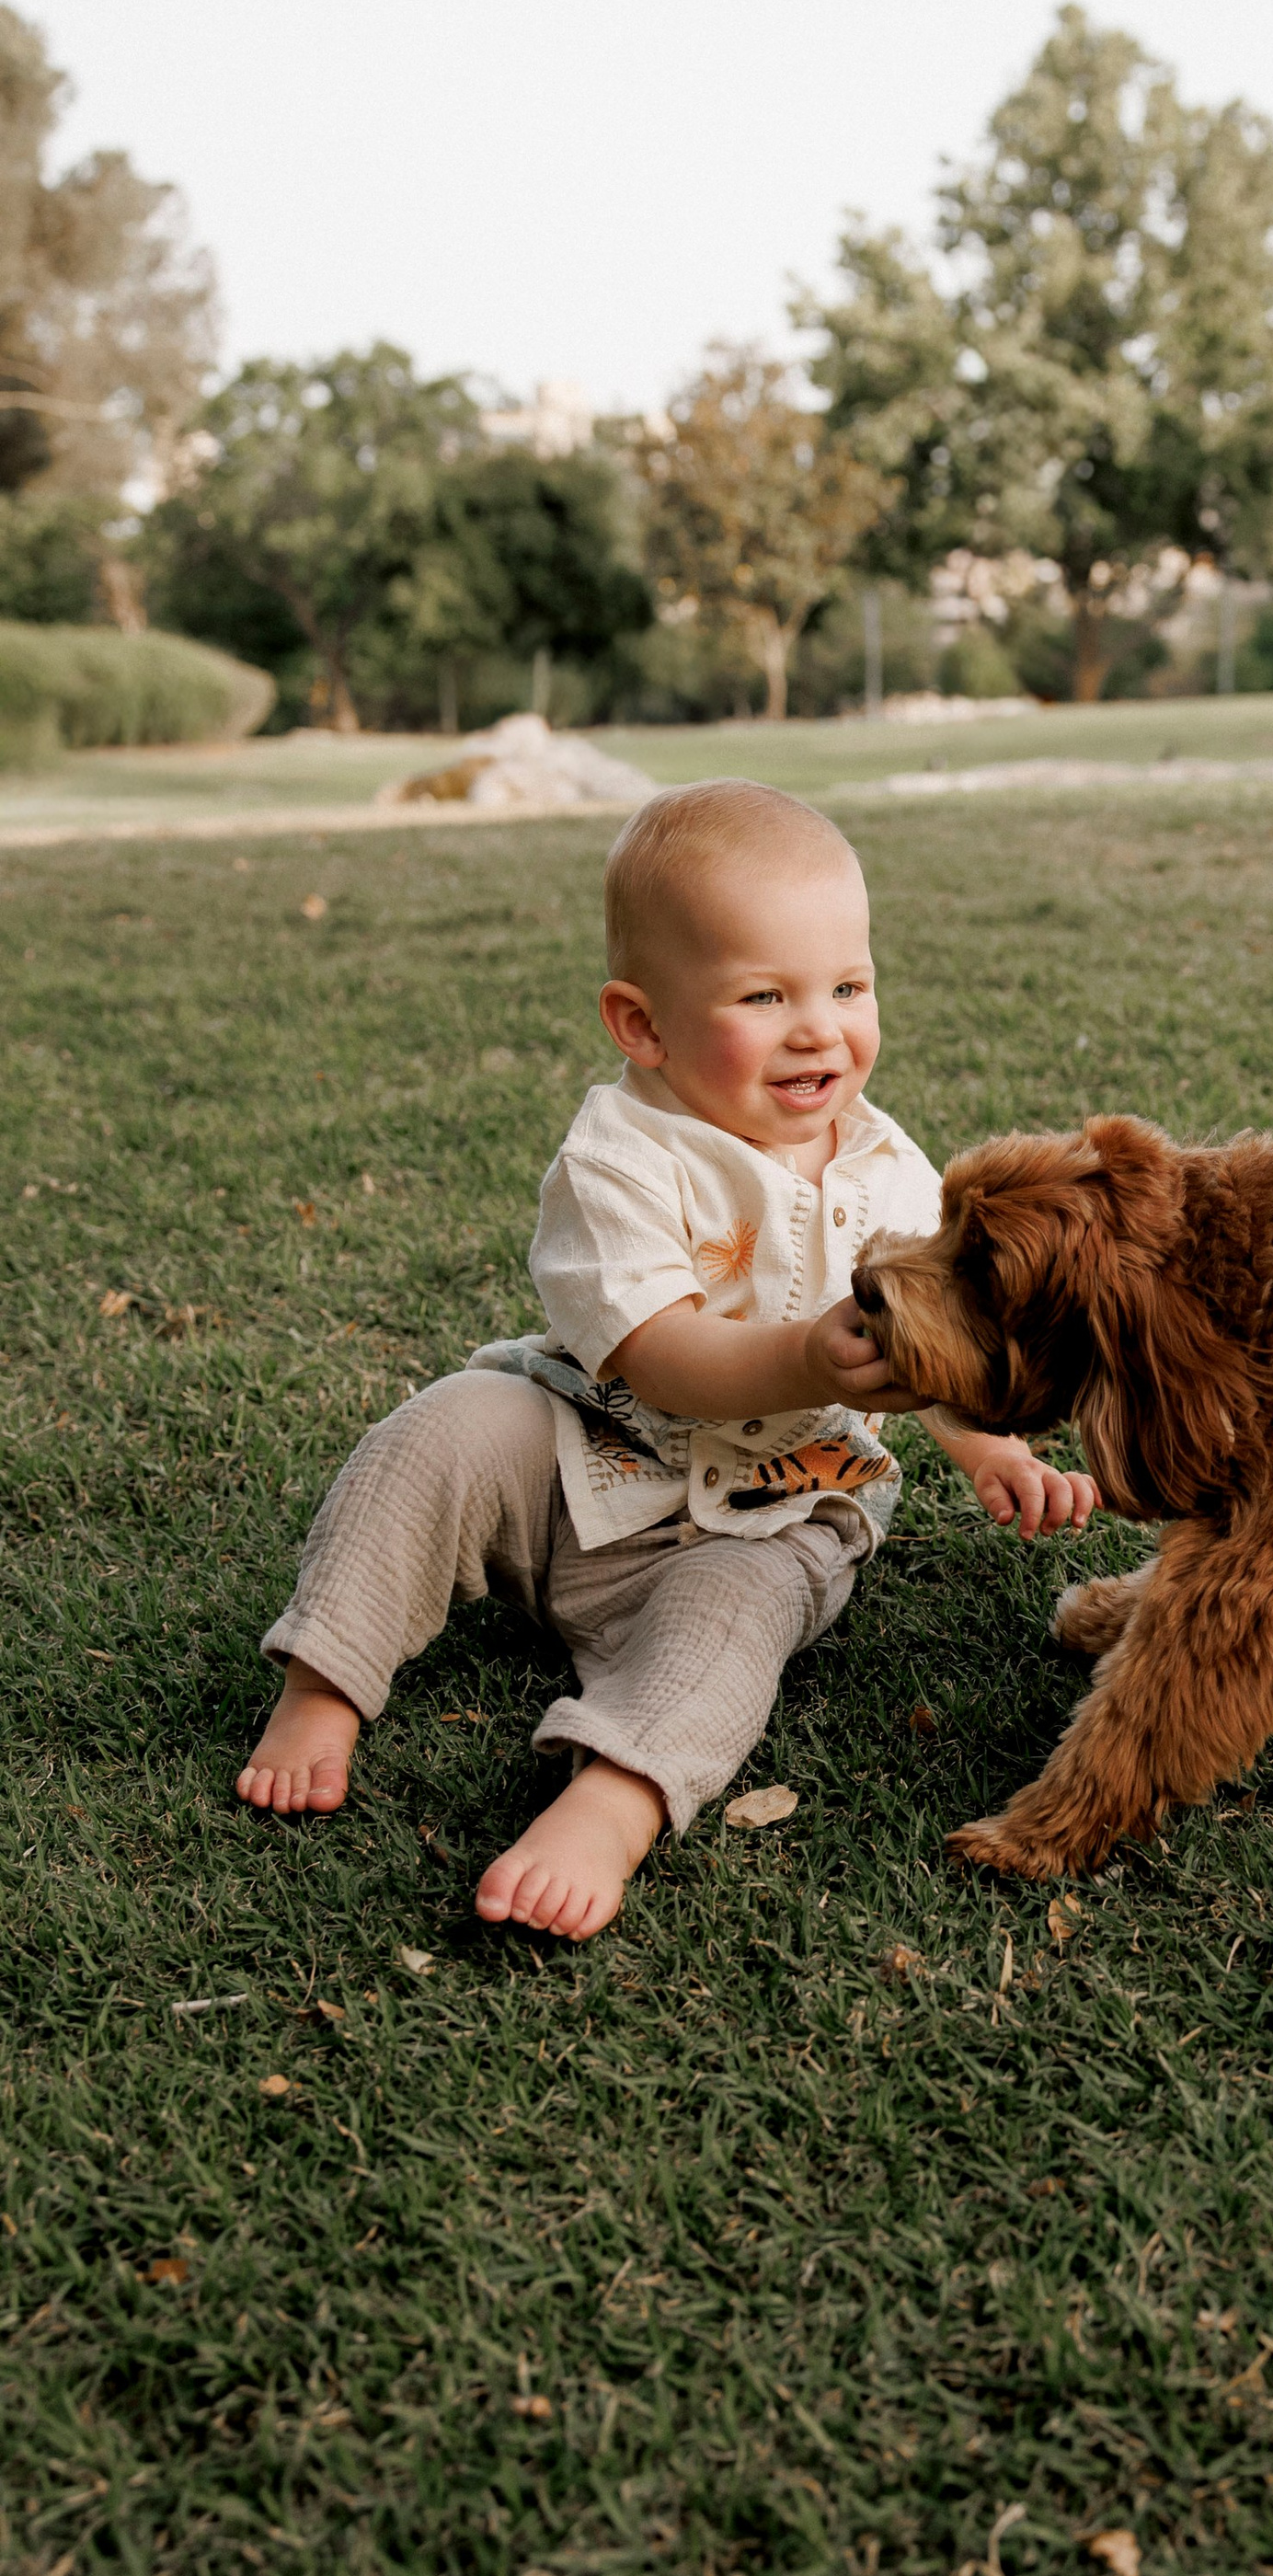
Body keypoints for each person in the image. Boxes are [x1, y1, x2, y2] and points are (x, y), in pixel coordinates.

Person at [235, 780, 1093, 1937]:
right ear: (642, 1025)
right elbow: (662, 1358)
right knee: (442, 1427)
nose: (820, 1029)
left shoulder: (889, 1169)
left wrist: (981, 1441)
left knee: (733, 1627)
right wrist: (804, 1356)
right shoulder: (620, 1158)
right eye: (765, 995)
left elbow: (925, 1346)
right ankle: (325, 1682)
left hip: (773, 1510)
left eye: (848, 986)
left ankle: (616, 1797)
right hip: (578, 1461)